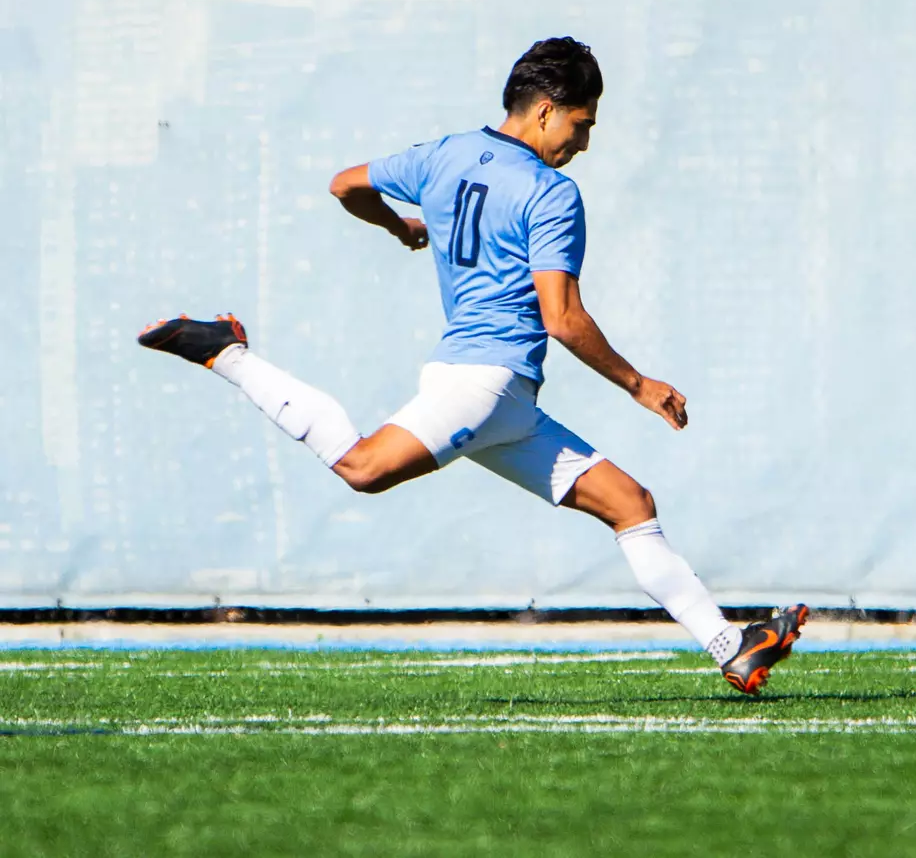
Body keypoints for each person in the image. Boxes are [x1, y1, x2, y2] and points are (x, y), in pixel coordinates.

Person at [138, 37, 806, 694]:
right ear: (546, 110)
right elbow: (563, 318)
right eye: (582, 124)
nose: (585, 143)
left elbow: (345, 185)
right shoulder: (550, 192)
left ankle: (731, 646)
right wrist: (639, 384)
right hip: (483, 386)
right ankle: (226, 350)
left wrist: (400, 227)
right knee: (363, 467)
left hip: (503, 402)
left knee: (631, 504)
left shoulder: (445, 155)